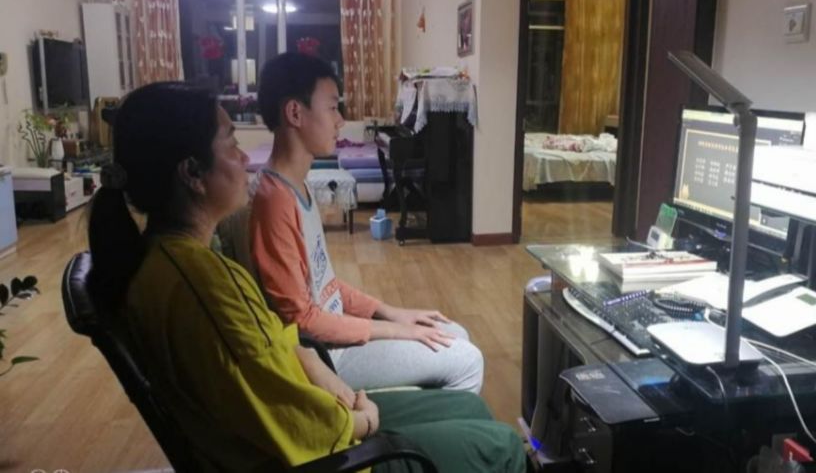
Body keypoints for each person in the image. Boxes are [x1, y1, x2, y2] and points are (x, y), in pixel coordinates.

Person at [86, 82, 526, 472]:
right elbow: (294, 415)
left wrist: (358, 341)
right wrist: (361, 418)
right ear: (192, 173)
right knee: (503, 444)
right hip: (330, 452)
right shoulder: (203, 284)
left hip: (319, 398)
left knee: (469, 405)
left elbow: (280, 342)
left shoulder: (181, 261)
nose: (244, 157)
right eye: (232, 143)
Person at [249, 53, 484, 393]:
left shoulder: (297, 185)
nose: (340, 120)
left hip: (336, 331)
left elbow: (326, 285)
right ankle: (410, 426)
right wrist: (395, 330)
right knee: (467, 360)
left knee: (455, 334)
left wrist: (391, 312)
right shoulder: (274, 201)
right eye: (332, 108)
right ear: (295, 113)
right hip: (326, 356)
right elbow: (301, 321)